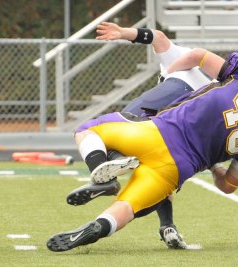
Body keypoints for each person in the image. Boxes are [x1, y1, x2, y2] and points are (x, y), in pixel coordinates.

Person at [47, 42, 238, 252]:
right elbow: (227, 185)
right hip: (177, 168)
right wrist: (214, 163)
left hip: (158, 133)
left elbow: (199, 56)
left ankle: (101, 172)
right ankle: (101, 226)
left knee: (87, 130)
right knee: (128, 205)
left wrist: (168, 76)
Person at [65, 22, 213, 249]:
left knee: (95, 132)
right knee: (161, 177)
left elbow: (159, 37)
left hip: (167, 100)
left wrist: (124, 33)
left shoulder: (185, 59)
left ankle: (107, 175)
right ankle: (168, 226)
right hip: (183, 132)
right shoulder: (221, 90)